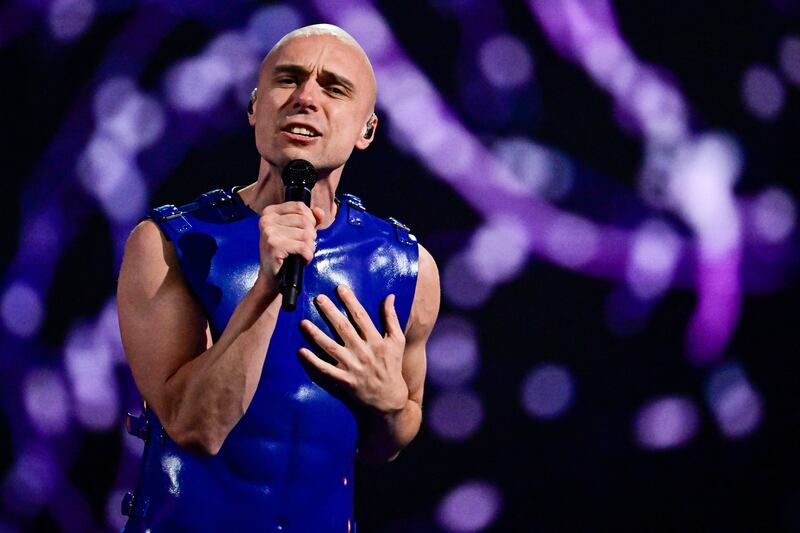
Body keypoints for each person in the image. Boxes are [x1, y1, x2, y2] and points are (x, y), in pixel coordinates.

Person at [116, 24, 440, 532]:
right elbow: (196, 428)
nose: (306, 97)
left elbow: (387, 446)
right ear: (254, 107)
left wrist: (390, 402)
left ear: (367, 131)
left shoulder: (406, 268)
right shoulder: (172, 245)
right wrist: (266, 289)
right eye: (288, 80)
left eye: (334, 87)